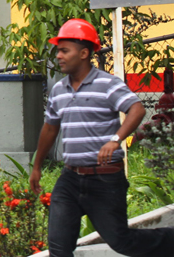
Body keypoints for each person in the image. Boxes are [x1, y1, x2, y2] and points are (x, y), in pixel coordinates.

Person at [29, 18, 174, 257]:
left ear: (84, 53)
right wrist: (37, 166)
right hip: (70, 179)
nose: (59, 56)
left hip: (104, 179)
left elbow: (136, 109)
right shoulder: (58, 90)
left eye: (65, 50)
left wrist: (115, 139)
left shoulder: (107, 84)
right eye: (58, 51)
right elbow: (50, 128)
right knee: (59, 248)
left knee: (121, 242)